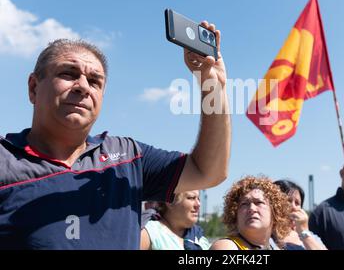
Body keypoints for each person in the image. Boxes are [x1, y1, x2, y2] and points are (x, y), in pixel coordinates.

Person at [0, 21, 231, 249]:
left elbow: (208, 171)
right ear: (33, 87)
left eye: (94, 81)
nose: (83, 86)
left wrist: (212, 85)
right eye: (69, 74)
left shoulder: (128, 157)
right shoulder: (5, 160)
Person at [210, 176, 291, 250]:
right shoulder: (226, 247)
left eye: (258, 202)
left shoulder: (276, 248)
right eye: (244, 204)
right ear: (235, 215)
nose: (251, 208)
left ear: (275, 212)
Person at [140, 190, 210, 250]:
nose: (198, 204)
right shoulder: (150, 233)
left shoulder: (198, 235)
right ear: (170, 201)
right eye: (191, 198)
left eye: (198, 198)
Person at [273, 179, 326, 250]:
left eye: (297, 203)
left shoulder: (312, 238)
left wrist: (304, 232)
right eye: (288, 201)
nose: (293, 207)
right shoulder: (260, 234)